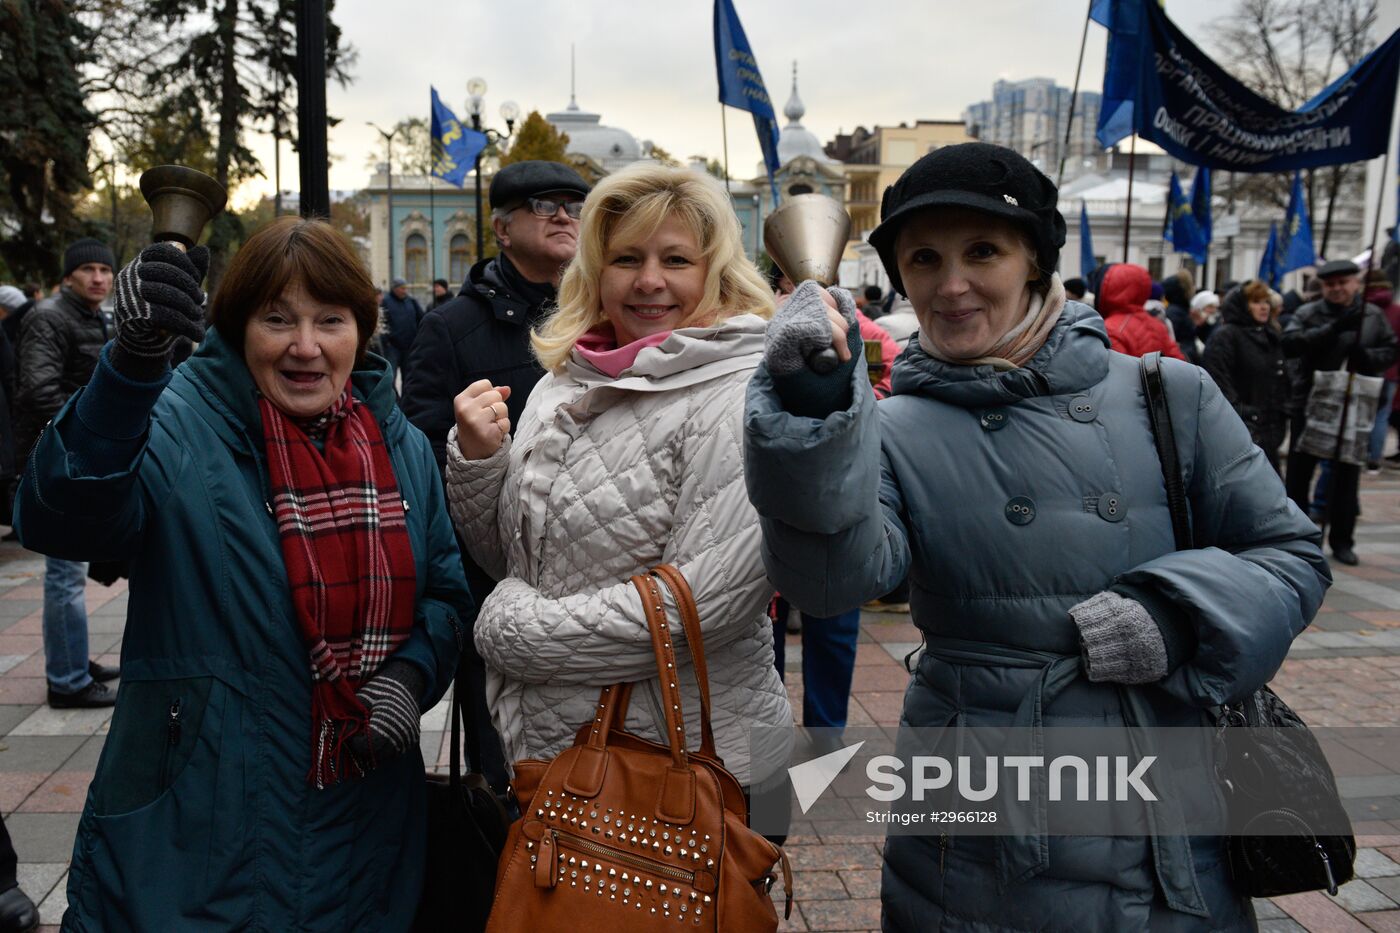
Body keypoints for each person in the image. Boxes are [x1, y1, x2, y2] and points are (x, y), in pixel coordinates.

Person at [743, 141, 1329, 930]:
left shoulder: (1169, 394)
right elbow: (826, 585)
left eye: (982, 250)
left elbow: (1290, 554)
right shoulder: (888, 426)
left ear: (1036, 259)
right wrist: (814, 413)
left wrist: (1179, 613)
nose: (950, 285)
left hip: (1167, 810)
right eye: (924, 259)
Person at [13, 218, 471, 931]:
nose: (306, 346)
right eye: (277, 319)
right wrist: (128, 369)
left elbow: (444, 592)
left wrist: (410, 677)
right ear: (237, 327)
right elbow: (60, 517)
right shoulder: (177, 421)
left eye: (331, 320)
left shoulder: (400, 443)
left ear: (363, 329)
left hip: (366, 826)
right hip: (196, 831)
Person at [444, 163, 792, 807]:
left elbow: (702, 607)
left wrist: (508, 631)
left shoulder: (740, 392)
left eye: (677, 259)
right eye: (627, 257)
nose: (650, 280)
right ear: (596, 271)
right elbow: (518, 560)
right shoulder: (567, 380)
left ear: (715, 269)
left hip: (697, 767)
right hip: (564, 753)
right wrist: (479, 462)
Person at [401, 159, 590, 791]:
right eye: (546, 206)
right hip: (498, 580)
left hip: (592, 574)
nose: (565, 216)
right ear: (503, 230)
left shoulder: (600, 315)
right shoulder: (451, 328)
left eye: (574, 205)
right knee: (510, 767)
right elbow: (420, 451)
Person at [14, 238, 120, 708]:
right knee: (64, 574)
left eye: (105, 269)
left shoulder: (93, 316)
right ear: (69, 276)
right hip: (59, 462)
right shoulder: (50, 316)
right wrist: (87, 435)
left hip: (80, 458)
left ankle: (74, 658)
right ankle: (67, 680)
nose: (98, 277)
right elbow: (39, 392)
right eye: (88, 270)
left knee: (73, 567)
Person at [1283, 258, 1397, 565]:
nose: (1336, 289)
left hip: (1353, 406)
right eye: (1330, 285)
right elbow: (1291, 344)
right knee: (1299, 475)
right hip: (1310, 402)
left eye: (1342, 283)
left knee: (1346, 476)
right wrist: (1330, 330)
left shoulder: (1371, 315)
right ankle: (1297, 538)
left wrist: (1367, 356)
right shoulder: (1309, 313)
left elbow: (1390, 350)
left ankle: (1342, 539)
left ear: (1355, 283)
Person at [1202, 281, 1289, 469]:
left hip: (1268, 428)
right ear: (1243, 305)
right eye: (1256, 301)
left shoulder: (1270, 335)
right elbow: (1218, 382)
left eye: (1266, 301)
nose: (1264, 306)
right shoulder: (1226, 337)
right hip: (1242, 428)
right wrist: (1245, 413)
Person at [1097, 263, 1186, 360]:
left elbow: (1115, 369)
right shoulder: (1158, 326)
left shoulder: (1110, 328)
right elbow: (1178, 363)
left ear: (1108, 287)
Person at [1363, 271, 1397, 471]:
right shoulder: (1396, 311)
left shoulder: (1362, 309)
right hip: (1391, 372)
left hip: (1363, 369)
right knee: (1381, 416)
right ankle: (1374, 459)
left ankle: (1358, 454)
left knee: (1361, 415)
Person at [380, 276, 424, 377]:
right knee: (391, 376)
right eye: (402, 288)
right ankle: (393, 393)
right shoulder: (386, 302)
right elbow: (382, 322)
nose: (405, 291)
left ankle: (407, 394)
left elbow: (421, 318)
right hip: (393, 347)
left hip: (409, 346)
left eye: (406, 288)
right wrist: (386, 342)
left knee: (409, 376)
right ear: (395, 289)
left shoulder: (411, 301)